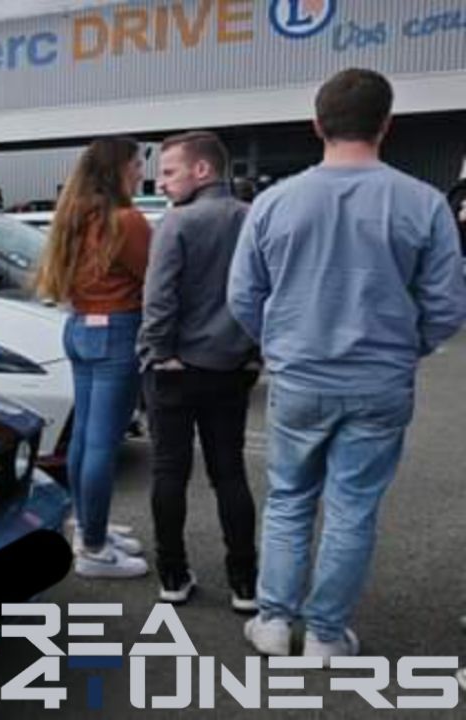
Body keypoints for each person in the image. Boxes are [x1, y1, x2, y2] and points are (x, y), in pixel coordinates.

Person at [231, 68, 466, 658]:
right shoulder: (424, 203)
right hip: (380, 383)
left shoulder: (274, 202)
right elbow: (446, 304)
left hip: (299, 377)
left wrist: (278, 344)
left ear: (317, 124)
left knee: (288, 499)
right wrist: (405, 349)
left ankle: (274, 622)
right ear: (386, 125)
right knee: (353, 507)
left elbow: (242, 295)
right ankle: (328, 635)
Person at [137, 130, 259, 609]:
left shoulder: (178, 223)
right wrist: (253, 351)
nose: (161, 183)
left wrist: (158, 351)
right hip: (230, 367)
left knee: (169, 471)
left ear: (202, 170)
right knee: (229, 473)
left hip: (175, 368)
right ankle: (244, 581)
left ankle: (172, 574)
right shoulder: (252, 219)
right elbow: (265, 293)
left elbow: (159, 297)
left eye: (169, 172)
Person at [35, 136, 153, 580]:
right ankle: (95, 548)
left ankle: (88, 529)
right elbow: (156, 278)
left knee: (85, 438)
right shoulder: (126, 220)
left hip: (80, 327)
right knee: (102, 442)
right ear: (117, 169)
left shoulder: (74, 217)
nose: (141, 170)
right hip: (118, 331)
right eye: (136, 163)